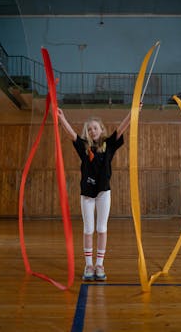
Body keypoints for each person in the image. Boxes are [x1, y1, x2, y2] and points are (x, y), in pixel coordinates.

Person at [57, 104, 142, 281]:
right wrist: (61, 117)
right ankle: (89, 265)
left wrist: (134, 112)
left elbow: (122, 127)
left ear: (101, 129)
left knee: (102, 229)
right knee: (88, 229)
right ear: (87, 133)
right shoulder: (84, 147)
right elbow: (71, 134)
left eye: (95, 128)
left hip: (103, 192)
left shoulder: (108, 144)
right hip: (87, 194)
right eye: (89, 129)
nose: (92, 131)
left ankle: (99, 264)